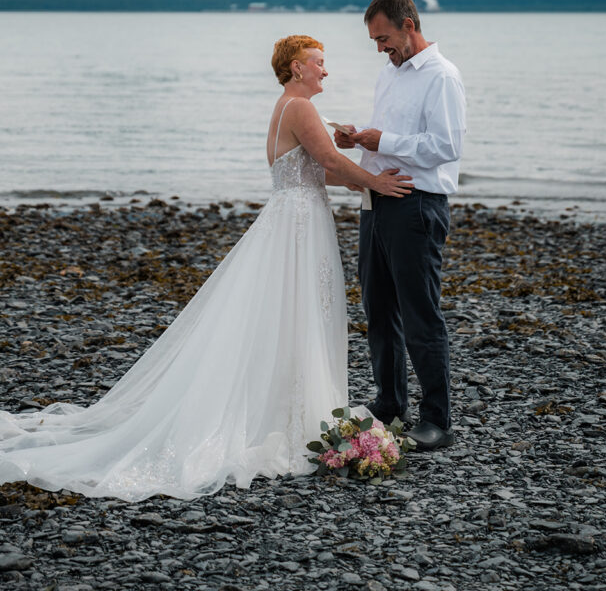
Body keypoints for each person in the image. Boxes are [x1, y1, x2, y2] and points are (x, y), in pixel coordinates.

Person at [0, 35, 412, 501]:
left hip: (298, 217)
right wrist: (373, 178)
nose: (325, 70)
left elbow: (326, 172)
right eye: (319, 62)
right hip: (298, 225)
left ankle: (296, 407)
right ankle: (289, 416)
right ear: (296, 68)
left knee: (294, 313)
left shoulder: (290, 107)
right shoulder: (298, 107)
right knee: (297, 311)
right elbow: (329, 160)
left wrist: (367, 185)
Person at [334, 0, 466, 450]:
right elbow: (392, 142)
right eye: (374, 40)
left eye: (384, 38)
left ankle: (438, 419)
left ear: (409, 25)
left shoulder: (442, 76)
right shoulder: (388, 74)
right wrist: (361, 143)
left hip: (417, 204)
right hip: (378, 201)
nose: (379, 48)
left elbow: (445, 146)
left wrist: (383, 138)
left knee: (419, 314)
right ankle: (389, 403)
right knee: (378, 308)